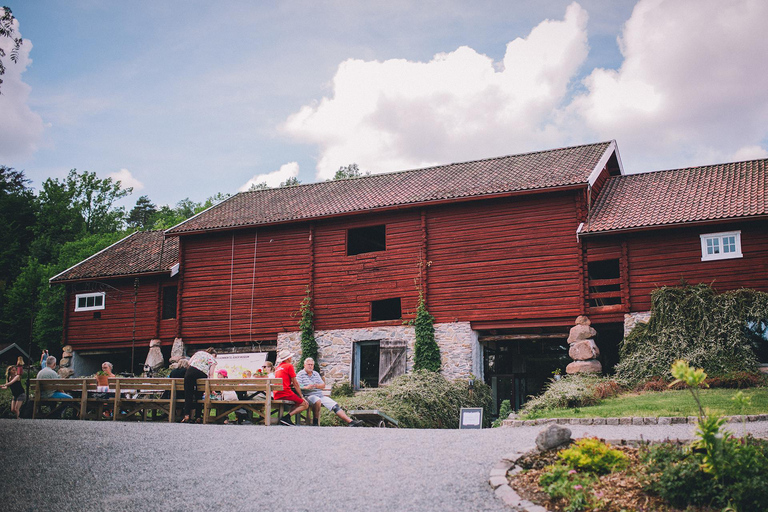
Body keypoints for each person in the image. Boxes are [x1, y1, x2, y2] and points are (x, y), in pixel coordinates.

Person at [296, 357, 363, 427]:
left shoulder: (315, 374)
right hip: (308, 396)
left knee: (335, 405)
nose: (310, 366)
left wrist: (316, 385)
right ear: (304, 365)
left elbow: (323, 385)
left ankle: (351, 422)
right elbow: (297, 385)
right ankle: (315, 421)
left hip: (320, 395)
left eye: (312, 365)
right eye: (308, 364)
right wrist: (306, 387)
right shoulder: (301, 374)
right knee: (317, 400)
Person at [181, 347, 217, 423]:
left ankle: (186, 415)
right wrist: (212, 388)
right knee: (199, 395)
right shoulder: (212, 359)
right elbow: (211, 374)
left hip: (190, 372)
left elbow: (189, 362)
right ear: (213, 354)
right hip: (202, 373)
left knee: (188, 394)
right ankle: (198, 416)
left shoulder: (198, 352)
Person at [273, 350, 308, 426]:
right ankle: (286, 418)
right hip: (285, 393)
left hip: (276, 394)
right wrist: (302, 396)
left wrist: (289, 384)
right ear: (287, 358)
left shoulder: (278, 367)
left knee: (296, 403)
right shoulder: (289, 366)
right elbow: (295, 383)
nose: (291, 358)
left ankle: (286, 419)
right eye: (290, 357)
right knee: (305, 404)